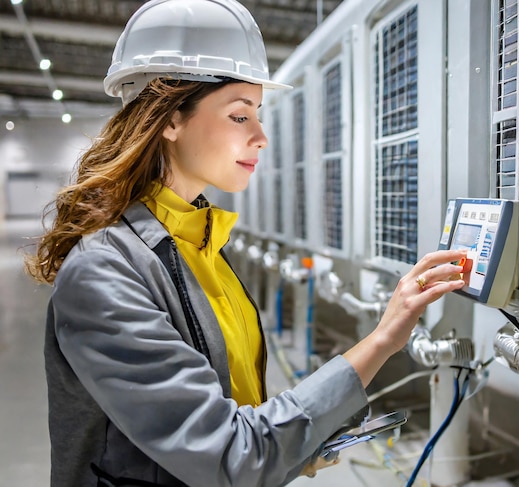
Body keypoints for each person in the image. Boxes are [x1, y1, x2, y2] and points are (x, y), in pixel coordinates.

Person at [24, 1, 467, 486]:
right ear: (169, 119)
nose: (261, 137)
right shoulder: (104, 271)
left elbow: (238, 422)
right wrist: (383, 340)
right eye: (240, 116)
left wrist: (292, 448)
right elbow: (233, 456)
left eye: (258, 113)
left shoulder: (196, 242)